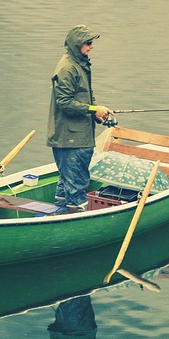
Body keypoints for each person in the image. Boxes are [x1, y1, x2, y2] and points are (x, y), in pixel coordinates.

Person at [48, 25, 115, 212]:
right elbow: (65, 103)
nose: (92, 46)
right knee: (76, 182)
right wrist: (94, 108)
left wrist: (95, 113)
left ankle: (60, 211)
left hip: (80, 135)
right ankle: (77, 215)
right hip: (70, 139)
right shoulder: (67, 68)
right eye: (88, 43)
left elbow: (85, 95)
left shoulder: (80, 63)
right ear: (77, 44)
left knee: (66, 180)